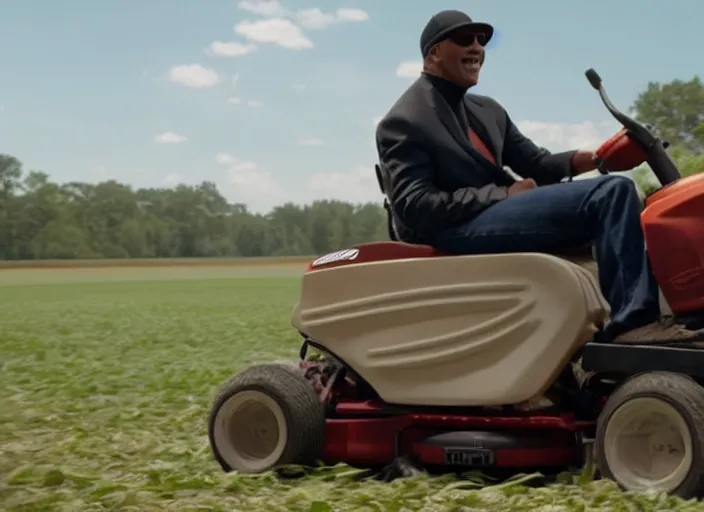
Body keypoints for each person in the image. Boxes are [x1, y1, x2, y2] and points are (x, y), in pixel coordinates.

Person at [375, 9, 704, 343]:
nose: (476, 47)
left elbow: (537, 164)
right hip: (452, 228)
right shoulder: (405, 120)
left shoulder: (488, 110)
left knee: (629, 196)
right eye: (464, 39)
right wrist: (503, 195)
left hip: (494, 215)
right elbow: (415, 207)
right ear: (433, 53)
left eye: (481, 39)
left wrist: (594, 157)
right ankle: (634, 324)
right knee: (611, 194)